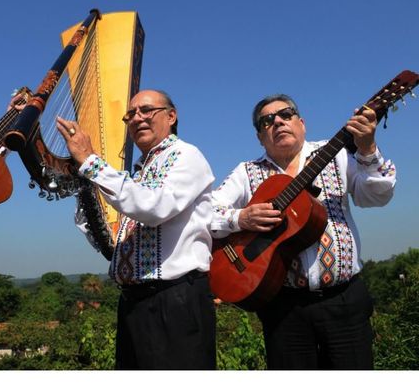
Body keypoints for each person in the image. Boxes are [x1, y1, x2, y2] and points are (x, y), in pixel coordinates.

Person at [211, 93, 396, 370]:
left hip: (343, 300)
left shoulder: (335, 155)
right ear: (260, 137)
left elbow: (377, 196)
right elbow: (206, 213)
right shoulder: (246, 172)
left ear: (302, 123)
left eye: (286, 114)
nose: (278, 122)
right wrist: (241, 217)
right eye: (267, 121)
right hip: (283, 308)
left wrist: (367, 148)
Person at [56, 89, 216, 370]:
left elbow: (154, 208)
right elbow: (115, 245)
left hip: (174, 301)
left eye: (146, 110)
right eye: (131, 114)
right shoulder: (138, 172)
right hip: (135, 304)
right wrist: (84, 191)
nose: (137, 118)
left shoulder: (186, 156)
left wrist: (91, 162)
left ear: (172, 116)